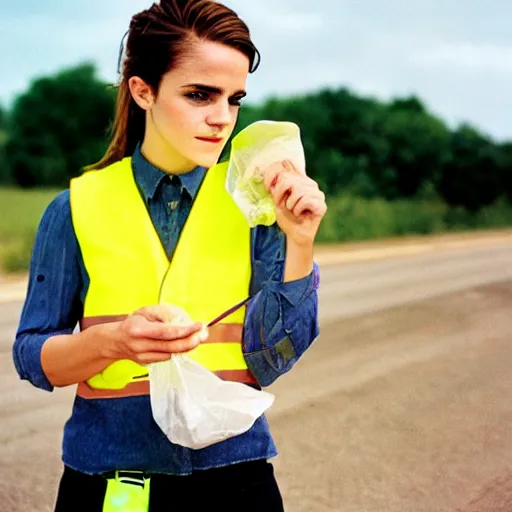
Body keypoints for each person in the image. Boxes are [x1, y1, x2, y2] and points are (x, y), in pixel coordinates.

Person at [12, 0, 327, 510]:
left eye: (235, 99)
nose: (222, 118)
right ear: (143, 90)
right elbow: (33, 357)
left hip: (236, 478)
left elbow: (272, 361)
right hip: (113, 479)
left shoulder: (262, 209)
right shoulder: (75, 208)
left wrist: (300, 241)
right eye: (200, 95)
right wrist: (113, 342)